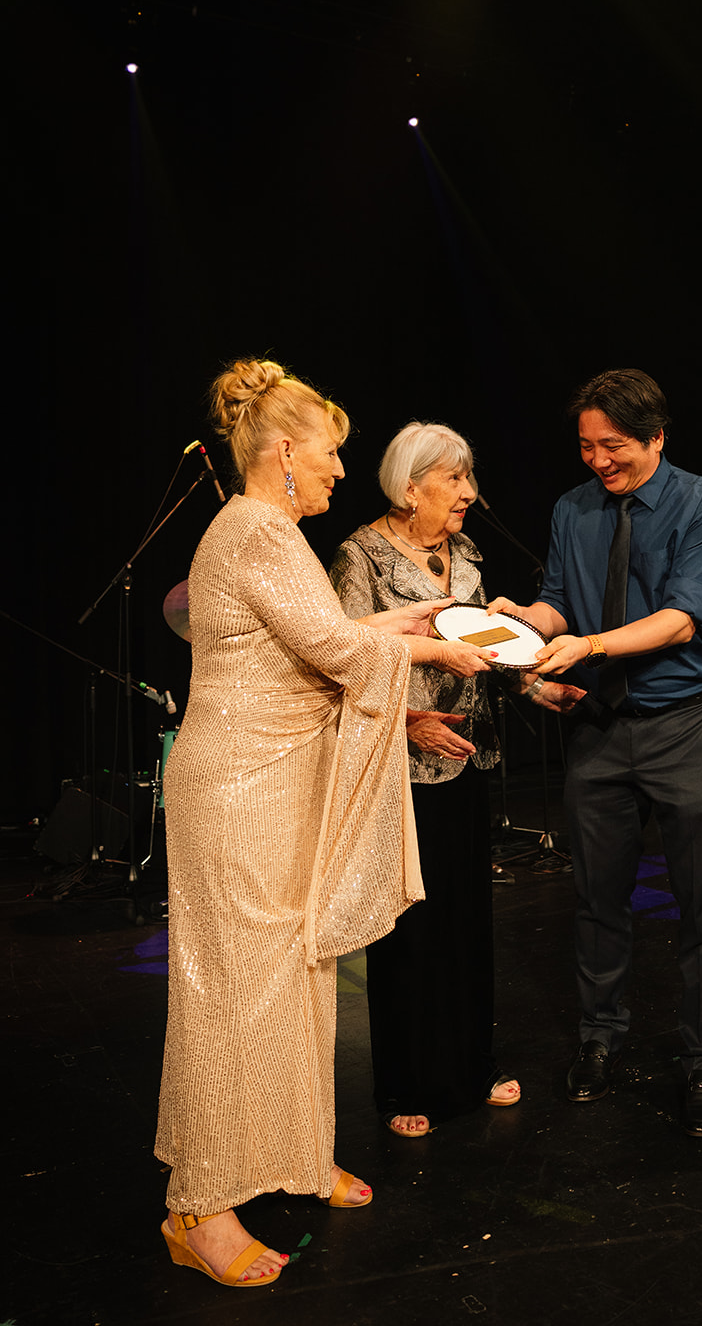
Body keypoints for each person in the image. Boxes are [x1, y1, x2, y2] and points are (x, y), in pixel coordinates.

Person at [155, 361, 490, 1288]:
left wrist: (416, 615)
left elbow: (320, 636)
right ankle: (199, 1205)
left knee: (297, 978)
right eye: (333, 454)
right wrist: (434, 648)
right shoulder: (257, 529)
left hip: (276, 783)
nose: (343, 471)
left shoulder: (272, 533)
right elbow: (336, 647)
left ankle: (295, 1155)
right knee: (232, 993)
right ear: (285, 452)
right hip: (238, 791)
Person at [489, 368, 702, 1137]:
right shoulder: (572, 508)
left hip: (687, 725)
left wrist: (588, 645)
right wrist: (516, 623)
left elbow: (680, 620)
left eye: (615, 446)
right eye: (585, 446)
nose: (599, 460)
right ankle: (599, 1041)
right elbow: (558, 601)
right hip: (599, 727)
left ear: (656, 437)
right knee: (597, 900)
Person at [330, 421, 584, 1138]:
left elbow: (485, 653)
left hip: (470, 758)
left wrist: (538, 688)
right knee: (410, 926)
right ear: (411, 489)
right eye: (454, 479)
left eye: (468, 477)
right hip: (401, 767)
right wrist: (408, 721)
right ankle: (406, 1086)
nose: (469, 491)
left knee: (467, 923)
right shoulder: (360, 557)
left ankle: (473, 1066)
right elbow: (343, 661)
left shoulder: (465, 553)